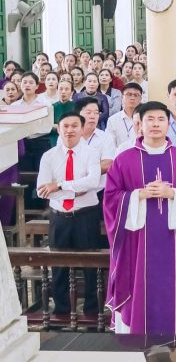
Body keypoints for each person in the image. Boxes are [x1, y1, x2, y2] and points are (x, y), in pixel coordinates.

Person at [103, 101, 176, 340]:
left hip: (173, 242)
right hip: (137, 242)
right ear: (140, 124)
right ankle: (137, 339)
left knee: (171, 290)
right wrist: (137, 195)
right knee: (139, 287)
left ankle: (174, 343)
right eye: (150, 119)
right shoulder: (124, 159)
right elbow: (110, 199)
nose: (156, 124)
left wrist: (175, 194)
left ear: (168, 124)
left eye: (161, 119)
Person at [36, 111, 102, 316]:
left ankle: (92, 311)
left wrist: (59, 185)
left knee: (91, 266)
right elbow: (42, 190)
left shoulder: (91, 153)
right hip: (59, 217)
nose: (70, 130)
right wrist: (75, 189)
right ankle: (62, 311)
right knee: (59, 266)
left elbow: (92, 181)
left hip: (86, 216)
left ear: (82, 129)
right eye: (65, 126)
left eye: (75, 126)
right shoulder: (49, 156)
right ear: (59, 129)